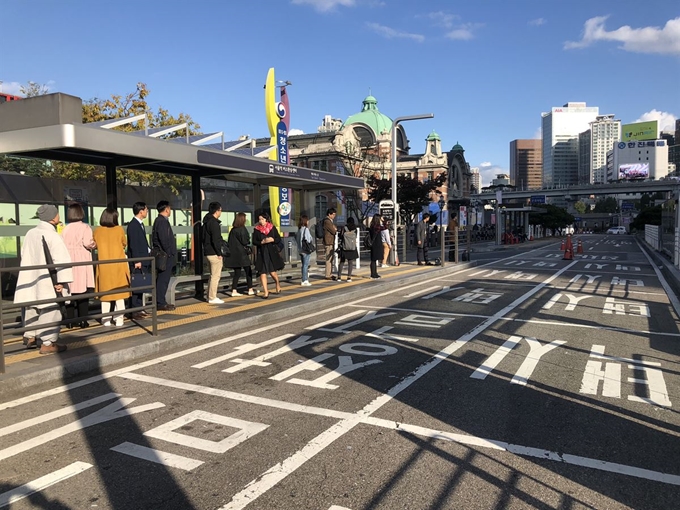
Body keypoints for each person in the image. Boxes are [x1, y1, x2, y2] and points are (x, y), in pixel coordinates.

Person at [14, 204, 73, 354]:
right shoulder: (52, 235)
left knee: (32, 306)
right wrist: (61, 281)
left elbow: (23, 253)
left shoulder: (30, 233)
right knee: (51, 308)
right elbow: (61, 260)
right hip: (48, 279)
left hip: (30, 276)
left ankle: (30, 335)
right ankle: (47, 342)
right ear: (53, 218)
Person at [93, 208, 130, 327]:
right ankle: (119, 319)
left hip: (104, 267)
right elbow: (124, 243)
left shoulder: (97, 231)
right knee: (119, 295)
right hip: (118, 265)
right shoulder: (119, 230)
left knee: (105, 296)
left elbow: (95, 245)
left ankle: (106, 320)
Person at [61, 203, 96, 329]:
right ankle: (83, 320)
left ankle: (70, 321)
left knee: (70, 292)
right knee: (83, 292)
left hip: (68, 260)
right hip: (81, 260)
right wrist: (94, 245)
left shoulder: (65, 228)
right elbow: (88, 243)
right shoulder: (85, 227)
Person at [127, 201, 150, 319]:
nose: (147, 211)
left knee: (142, 284)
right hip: (138, 260)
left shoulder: (140, 224)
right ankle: (134, 310)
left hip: (144, 258)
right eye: (146, 210)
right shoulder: (133, 225)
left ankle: (140, 308)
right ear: (141, 211)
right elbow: (134, 245)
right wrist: (137, 260)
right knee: (136, 285)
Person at [252, 212, 284, 298]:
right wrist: (261, 242)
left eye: (262, 219)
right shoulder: (256, 229)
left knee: (272, 272)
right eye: (259, 219)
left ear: (266, 219)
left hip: (271, 253)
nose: (261, 221)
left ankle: (277, 283)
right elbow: (254, 241)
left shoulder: (272, 228)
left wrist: (272, 239)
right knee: (262, 272)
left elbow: (278, 239)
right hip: (261, 253)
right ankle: (266, 292)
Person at [152, 200, 177, 311]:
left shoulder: (161, 220)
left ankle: (161, 301)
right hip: (165, 256)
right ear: (166, 209)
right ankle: (160, 302)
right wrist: (169, 253)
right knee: (163, 279)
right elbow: (164, 239)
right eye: (169, 208)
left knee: (163, 279)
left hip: (165, 254)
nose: (170, 210)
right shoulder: (161, 221)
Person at [224, 212, 255, 297]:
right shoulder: (242, 229)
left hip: (234, 254)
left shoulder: (233, 230)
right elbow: (245, 241)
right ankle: (250, 289)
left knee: (237, 273)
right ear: (242, 220)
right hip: (242, 254)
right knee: (248, 271)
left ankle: (234, 290)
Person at [202, 202, 225, 304]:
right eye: (220, 210)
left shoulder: (206, 222)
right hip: (214, 253)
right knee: (215, 276)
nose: (221, 212)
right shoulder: (214, 223)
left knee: (212, 275)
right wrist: (219, 253)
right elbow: (216, 240)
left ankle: (209, 296)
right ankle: (212, 297)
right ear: (217, 211)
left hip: (207, 251)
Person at [336, 217, 358, 282]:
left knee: (342, 261)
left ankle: (339, 277)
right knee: (350, 262)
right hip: (352, 247)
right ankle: (349, 277)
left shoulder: (344, 228)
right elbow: (355, 236)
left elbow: (340, 236)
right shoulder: (355, 229)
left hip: (344, 247)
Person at [297, 215, 314, 286]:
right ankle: (305, 280)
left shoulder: (299, 229)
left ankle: (304, 278)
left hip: (300, 250)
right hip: (306, 250)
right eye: (307, 220)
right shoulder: (306, 229)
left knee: (303, 265)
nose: (308, 221)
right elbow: (308, 239)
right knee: (305, 265)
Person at [322, 207, 337, 280]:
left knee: (331, 258)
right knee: (328, 258)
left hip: (330, 241)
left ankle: (330, 273)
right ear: (329, 214)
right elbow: (333, 231)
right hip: (328, 242)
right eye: (333, 214)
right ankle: (327, 274)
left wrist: (334, 228)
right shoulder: (327, 221)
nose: (334, 216)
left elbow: (335, 229)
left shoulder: (330, 221)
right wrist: (334, 228)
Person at [368, 214, 384, 279]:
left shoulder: (373, 226)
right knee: (373, 259)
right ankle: (373, 274)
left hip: (374, 244)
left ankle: (374, 273)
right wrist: (384, 221)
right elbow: (385, 227)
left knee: (374, 259)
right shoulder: (376, 227)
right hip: (376, 244)